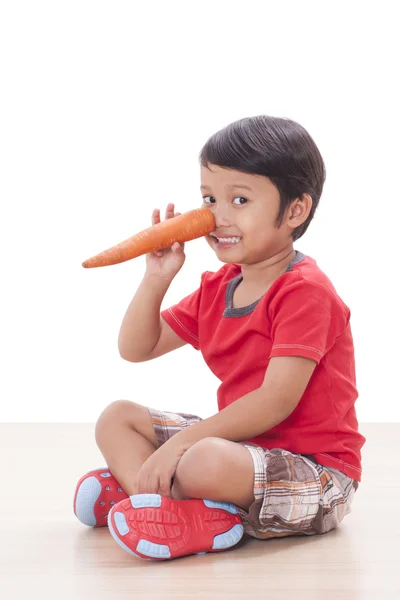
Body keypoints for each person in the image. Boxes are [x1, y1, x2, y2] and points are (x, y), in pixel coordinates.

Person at [73, 115, 366, 561]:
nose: (217, 216)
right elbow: (137, 348)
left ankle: (165, 502)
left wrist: (179, 446)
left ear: (295, 210)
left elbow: (274, 402)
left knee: (201, 460)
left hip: (315, 473)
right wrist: (157, 278)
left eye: (240, 199)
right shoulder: (219, 286)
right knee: (117, 418)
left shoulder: (305, 291)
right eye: (210, 197)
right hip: (244, 449)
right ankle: (155, 504)